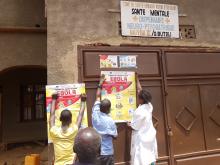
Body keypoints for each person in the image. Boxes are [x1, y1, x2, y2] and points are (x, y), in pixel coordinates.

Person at [49, 93, 87, 165]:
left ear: (60, 119)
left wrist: (53, 99)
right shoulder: (73, 130)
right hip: (71, 162)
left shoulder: (54, 131)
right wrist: (83, 101)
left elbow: (52, 115)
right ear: (70, 120)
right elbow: (80, 115)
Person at [129, 75, 158, 165]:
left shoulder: (139, 111)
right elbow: (140, 90)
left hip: (141, 139)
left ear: (141, 99)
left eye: (138, 97)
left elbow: (135, 126)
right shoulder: (149, 106)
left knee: (141, 159)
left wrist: (129, 124)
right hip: (150, 136)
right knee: (150, 156)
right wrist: (137, 79)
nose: (137, 99)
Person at [92, 75, 118, 165]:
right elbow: (115, 136)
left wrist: (100, 83)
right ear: (109, 109)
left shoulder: (95, 112)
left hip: (96, 151)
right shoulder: (110, 121)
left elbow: (97, 97)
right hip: (107, 152)